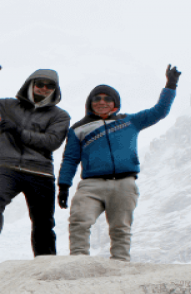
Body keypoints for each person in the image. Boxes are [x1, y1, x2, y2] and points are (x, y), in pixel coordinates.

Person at [56, 65, 181, 262]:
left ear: (115, 102)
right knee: (79, 221)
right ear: (90, 103)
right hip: (91, 185)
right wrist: (64, 185)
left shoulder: (130, 121)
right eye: (97, 99)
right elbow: (70, 159)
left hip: (125, 183)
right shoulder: (78, 129)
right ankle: (78, 263)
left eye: (107, 98)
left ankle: (120, 265)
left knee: (121, 228)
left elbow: (160, 111)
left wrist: (170, 85)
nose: (102, 102)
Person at [0, 67, 71, 269]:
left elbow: (51, 141)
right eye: (40, 83)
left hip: (40, 171)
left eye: (49, 85)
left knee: (43, 221)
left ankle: (46, 261)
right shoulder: (8, 105)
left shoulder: (60, 115)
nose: (44, 88)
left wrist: (18, 131)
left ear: (55, 89)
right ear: (31, 84)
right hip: (6, 166)